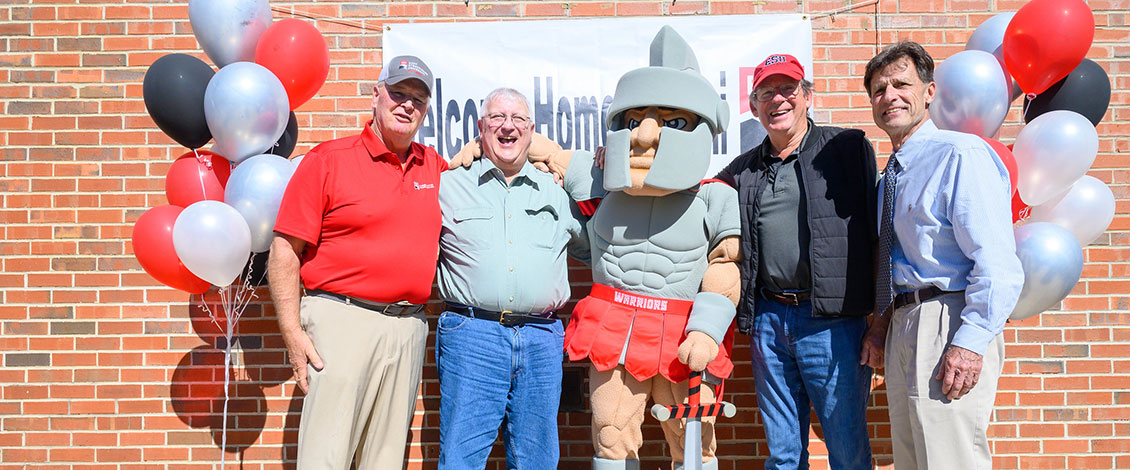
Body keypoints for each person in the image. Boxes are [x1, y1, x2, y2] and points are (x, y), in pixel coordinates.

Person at [268, 55, 445, 469]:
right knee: (325, 455)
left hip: (408, 327)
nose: (407, 105)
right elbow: (283, 250)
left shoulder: (434, 166)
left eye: (418, 99)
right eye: (398, 93)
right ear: (375, 96)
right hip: (341, 322)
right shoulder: (328, 160)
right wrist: (292, 331)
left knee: (384, 459)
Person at [861, 41, 1023, 469]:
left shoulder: (961, 155)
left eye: (901, 84)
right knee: (913, 460)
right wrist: (881, 326)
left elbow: (998, 264)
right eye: (878, 90)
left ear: (929, 92)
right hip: (903, 324)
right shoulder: (889, 178)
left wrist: (969, 344)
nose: (889, 96)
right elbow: (895, 262)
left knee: (951, 459)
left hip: (947, 321)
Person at [715, 53, 878, 469]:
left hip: (833, 323)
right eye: (767, 92)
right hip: (770, 321)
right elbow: (686, 195)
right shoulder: (744, 169)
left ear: (807, 97)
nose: (778, 100)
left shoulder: (845, 149)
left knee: (847, 448)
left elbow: (879, 234)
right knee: (784, 454)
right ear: (753, 106)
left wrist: (878, 320)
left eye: (788, 89)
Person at [434, 88, 589, 469]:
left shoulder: (556, 188)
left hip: (541, 340)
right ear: (480, 128)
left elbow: (597, 240)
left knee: (537, 459)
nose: (508, 127)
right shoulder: (448, 183)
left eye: (518, 119)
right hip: (473, 337)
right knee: (460, 458)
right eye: (497, 119)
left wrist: (562, 161)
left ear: (532, 131)